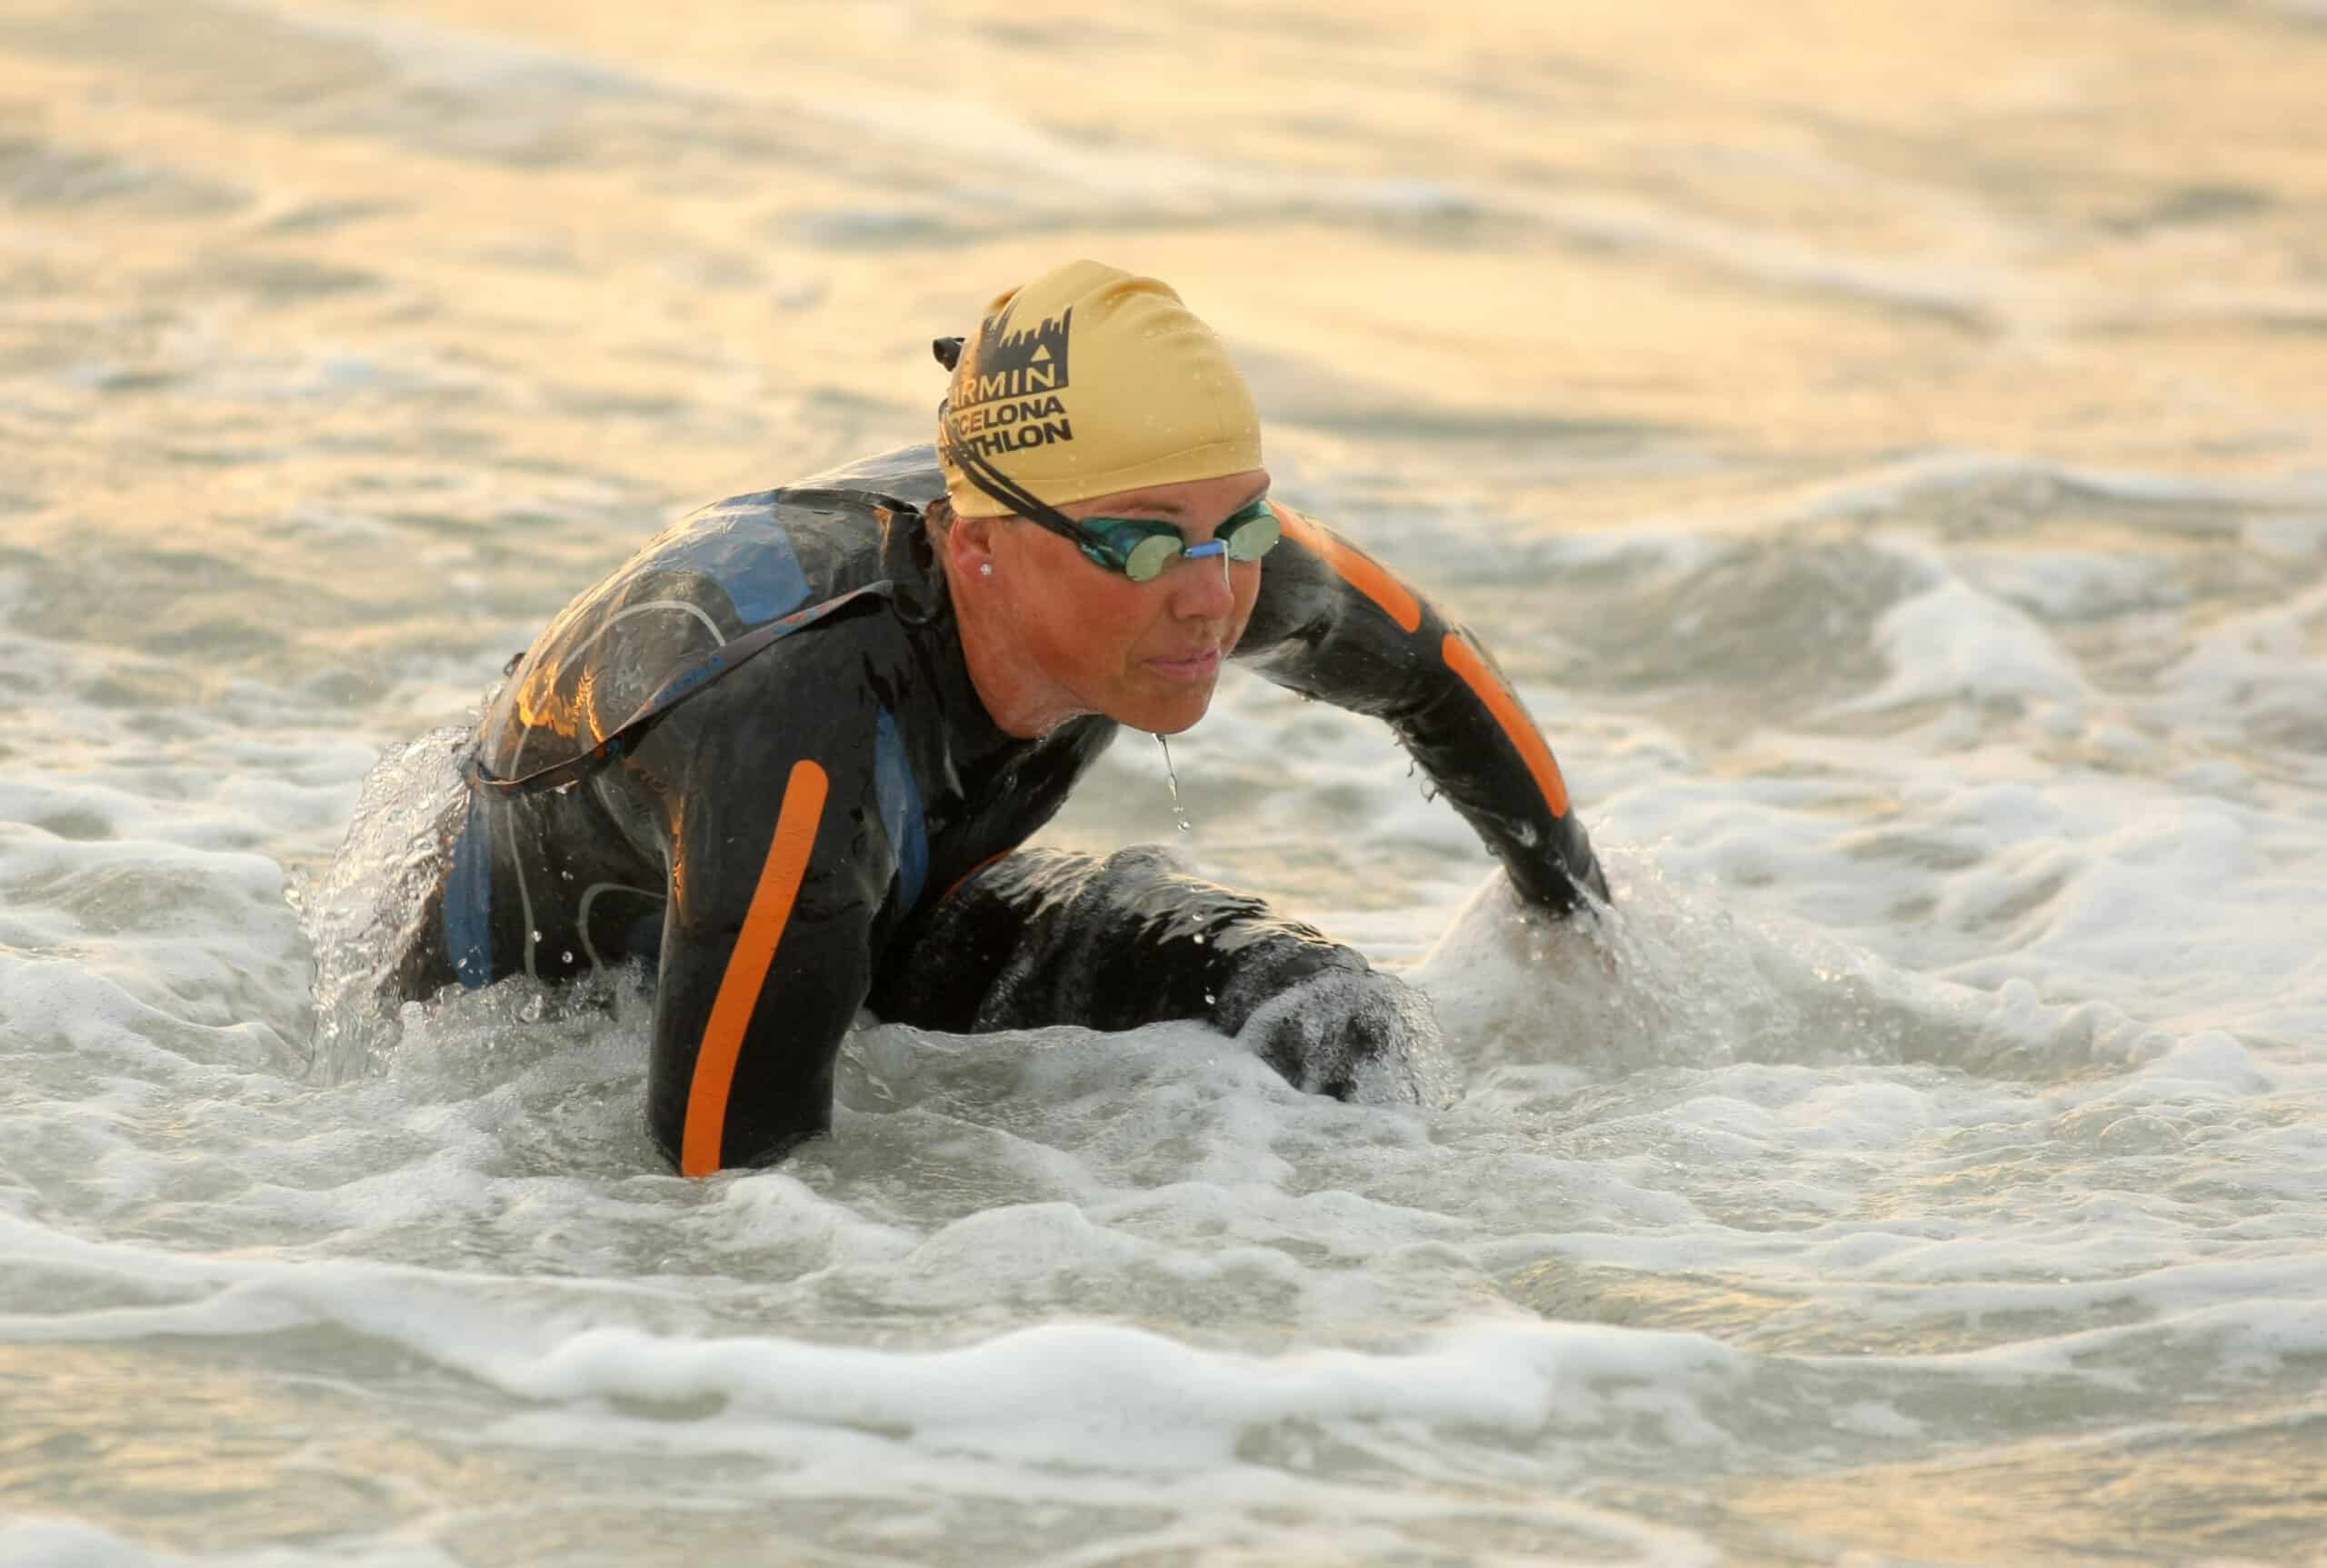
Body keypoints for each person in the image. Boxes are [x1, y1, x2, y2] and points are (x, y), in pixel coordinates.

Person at [401, 259, 1606, 1175]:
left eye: (1239, 524)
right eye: (1145, 543)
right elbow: (722, 1203)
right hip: (542, 1025)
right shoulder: (792, 726)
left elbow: (1436, 673)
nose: (1212, 597)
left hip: (875, 906)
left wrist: (1577, 919)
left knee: (1332, 1024)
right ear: (979, 547)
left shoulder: (1191, 563)